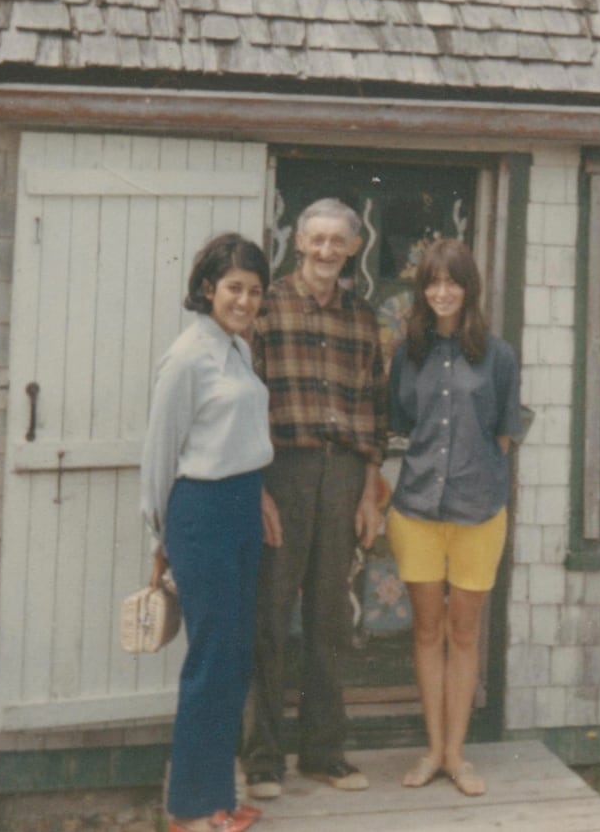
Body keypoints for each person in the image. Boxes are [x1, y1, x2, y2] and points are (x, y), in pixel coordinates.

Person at [241, 199, 387, 799]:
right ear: (297, 242)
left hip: (345, 474)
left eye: (338, 242)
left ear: (354, 248)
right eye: (316, 240)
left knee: (330, 618)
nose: (326, 251)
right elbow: (245, 403)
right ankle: (263, 760)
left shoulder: (362, 317)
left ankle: (324, 752)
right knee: (270, 616)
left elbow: (376, 409)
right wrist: (258, 488)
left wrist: (371, 491)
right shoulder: (266, 307)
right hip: (282, 472)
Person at [139, 233, 279, 832]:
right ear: (207, 289)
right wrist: (159, 543)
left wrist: (261, 495)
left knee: (232, 658)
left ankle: (218, 796)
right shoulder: (189, 355)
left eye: (253, 290)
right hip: (201, 515)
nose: (244, 300)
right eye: (233, 288)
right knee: (211, 659)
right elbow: (159, 456)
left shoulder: (238, 350)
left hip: (242, 507)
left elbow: (237, 436)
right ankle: (191, 811)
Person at [387, 238, 522, 799]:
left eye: (452, 281)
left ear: (469, 288)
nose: (442, 292)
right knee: (426, 630)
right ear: (422, 290)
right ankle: (432, 751)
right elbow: (400, 423)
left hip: (477, 512)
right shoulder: (408, 352)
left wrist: (473, 477)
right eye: (432, 283)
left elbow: (505, 434)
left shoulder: (498, 356)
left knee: (463, 634)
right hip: (416, 510)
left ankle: (456, 756)